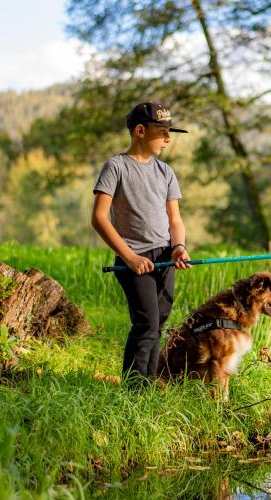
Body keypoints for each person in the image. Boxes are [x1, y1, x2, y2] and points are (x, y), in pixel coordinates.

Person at [91, 101, 192, 385]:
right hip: (132, 259)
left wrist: (179, 247)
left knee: (159, 321)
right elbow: (99, 218)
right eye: (162, 132)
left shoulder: (165, 172)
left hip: (164, 257)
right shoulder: (116, 167)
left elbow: (175, 220)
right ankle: (135, 390)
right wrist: (130, 257)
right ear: (140, 131)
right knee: (146, 322)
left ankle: (148, 384)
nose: (168, 139)